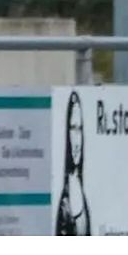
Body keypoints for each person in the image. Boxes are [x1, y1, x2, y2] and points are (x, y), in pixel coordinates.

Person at [55, 91, 90, 235]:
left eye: (79, 129)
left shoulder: (81, 195)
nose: (77, 141)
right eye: (73, 129)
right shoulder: (65, 204)